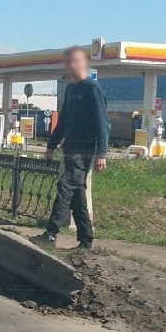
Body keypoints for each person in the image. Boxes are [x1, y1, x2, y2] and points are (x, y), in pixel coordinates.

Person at [33, 46, 110, 250]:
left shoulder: (92, 88)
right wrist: (51, 145)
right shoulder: (71, 88)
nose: (71, 66)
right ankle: (86, 239)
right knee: (77, 195)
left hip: (84, 150)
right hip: (70, 149)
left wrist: (102, 153)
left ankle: (51, 233)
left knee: (66, 186)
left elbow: (103, 122)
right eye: (69, 62)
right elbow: (64, 120)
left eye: (76, 61)